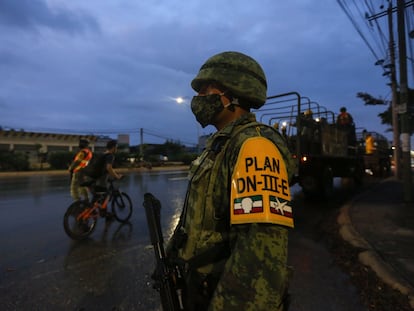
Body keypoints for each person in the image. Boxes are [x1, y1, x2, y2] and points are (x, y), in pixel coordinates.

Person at [166, 51, 295, 311]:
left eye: (204, 92)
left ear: (231, 94)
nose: (198, 100)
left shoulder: (255, 146)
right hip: (200, 287)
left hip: (224, 295)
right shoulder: (220, 144)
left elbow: (259, 254)